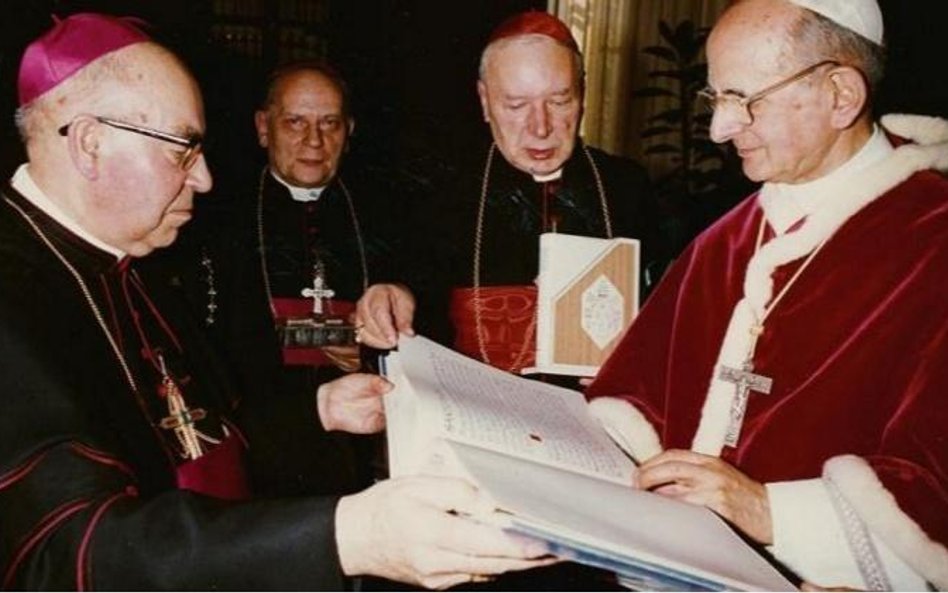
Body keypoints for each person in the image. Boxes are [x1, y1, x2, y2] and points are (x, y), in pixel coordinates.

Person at [0, 13, 552, 589]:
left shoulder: (137, 270)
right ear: (91, 144)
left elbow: (199, 449)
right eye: (184, 150)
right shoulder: (15, 300)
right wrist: (348, 537)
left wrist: (320, 413)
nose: (207, 179)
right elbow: (68, 554)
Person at [585, 0, 948, 589]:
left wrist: (767, 512)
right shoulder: (723, 241)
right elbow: (636, 398)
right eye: (715, 98)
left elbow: (934, 485)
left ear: (840, 96)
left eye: (744, 100)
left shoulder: (932, 240)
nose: (718, 129)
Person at [151, 61, 414, 496]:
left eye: (329, 123)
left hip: (367, 449)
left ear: (349, 131)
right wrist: (339, 332)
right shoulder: (215, 223)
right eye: (295, 122)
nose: (314, 140)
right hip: (262, 450)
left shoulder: (386, 214)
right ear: (263, 127)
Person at [410, 10, 666, 375]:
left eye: (559, 101)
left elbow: (664, 323)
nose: (541, 127)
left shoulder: (627, 187)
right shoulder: (443, 195)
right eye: (516, 105)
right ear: (484, 101)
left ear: (583, 94)